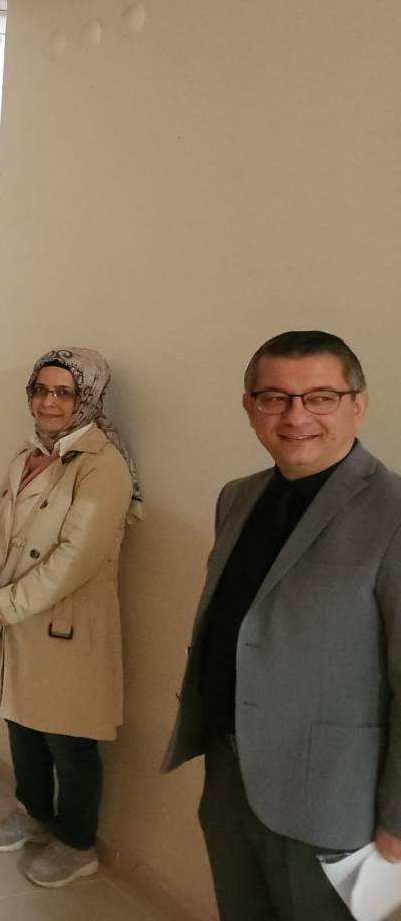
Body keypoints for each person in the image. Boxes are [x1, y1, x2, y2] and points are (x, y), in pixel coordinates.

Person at [164, 331, 399, 920]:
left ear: (357, 404)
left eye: (320, 397)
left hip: (333, 801)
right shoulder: (237, 497)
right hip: (229, 773)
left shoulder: (393, 514)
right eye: (274, 398)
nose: (296, 417)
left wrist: (399, 818)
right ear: (250, 407)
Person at [0, 347, 141, 890]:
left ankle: (77, 843)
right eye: (40, 390)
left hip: (63, 623)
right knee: (20, 720)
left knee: (69, 738)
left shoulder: (103, 466)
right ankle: (34, 813)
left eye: (63, 392)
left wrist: (8, 603)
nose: (48, 402)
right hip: (12, 611)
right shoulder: (28, 452)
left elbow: (76, 557)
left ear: (87, 397)